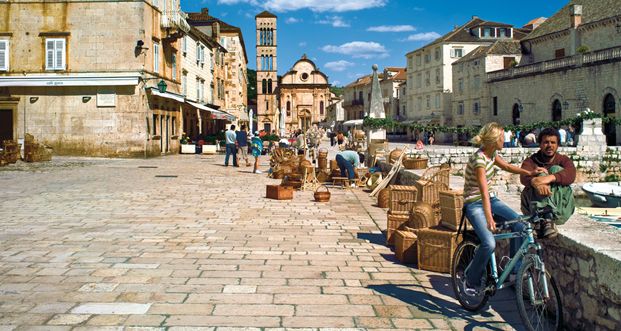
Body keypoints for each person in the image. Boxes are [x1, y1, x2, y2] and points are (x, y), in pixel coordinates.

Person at [462, 123, 546, 296]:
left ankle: (514, 271)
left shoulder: (492, 153)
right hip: (474, 203)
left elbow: (507, 167)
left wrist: (529, 173)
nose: (504, 140)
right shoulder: (479, 160)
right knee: (489, 243)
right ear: (493, 140)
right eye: (501, 137)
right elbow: (483, 192)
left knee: (520, 226)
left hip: (490, 200)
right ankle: (471, 279)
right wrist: (489, 218)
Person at [520, 128, 576, 238]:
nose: (549, 145)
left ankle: (547, 217)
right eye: (546, 142)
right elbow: (523, 176)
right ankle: (544, 217)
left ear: (557, 145)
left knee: (555, 170)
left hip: (559, 211)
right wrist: (535, 181)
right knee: (539, 174)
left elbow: (571, 175)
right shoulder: (531, 161)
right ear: (540, 144)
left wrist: (550, 178)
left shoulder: (564, 160)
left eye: (553, 142)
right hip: (533, 212)